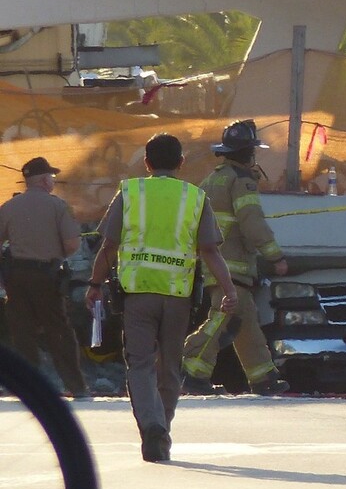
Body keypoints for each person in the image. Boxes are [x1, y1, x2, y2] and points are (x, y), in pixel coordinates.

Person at [84, 133, 238, 462]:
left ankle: (152, 426)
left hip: (138, 295)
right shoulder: (195, 197)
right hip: (178, 296)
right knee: (170, 366)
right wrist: (229, 290)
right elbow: (209, 250)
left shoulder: (131, 192)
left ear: (146, 163)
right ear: (181, 163)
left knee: (139, 365)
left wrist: (94, 283)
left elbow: (108, 246)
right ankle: (162, 429)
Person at [181, 120, 289, 396]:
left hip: (214, 263)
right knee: (224, 317)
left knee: (246, 321)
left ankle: (264, 377)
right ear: (247, 153)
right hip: (232, 265)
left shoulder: (210, 180)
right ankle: (192, 367)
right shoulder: (241, 182)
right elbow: (252, 222)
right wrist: (275, 256)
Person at [0, 157, 89, 398]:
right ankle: (77, 386)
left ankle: (26, 387)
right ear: (43, 180)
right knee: (58, 330)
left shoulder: (9, 207)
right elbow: (72, 244)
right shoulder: (58, 206)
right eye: (51, 177)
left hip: (16, 277)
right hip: (47, 276)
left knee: (22, 332)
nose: (53, 181)